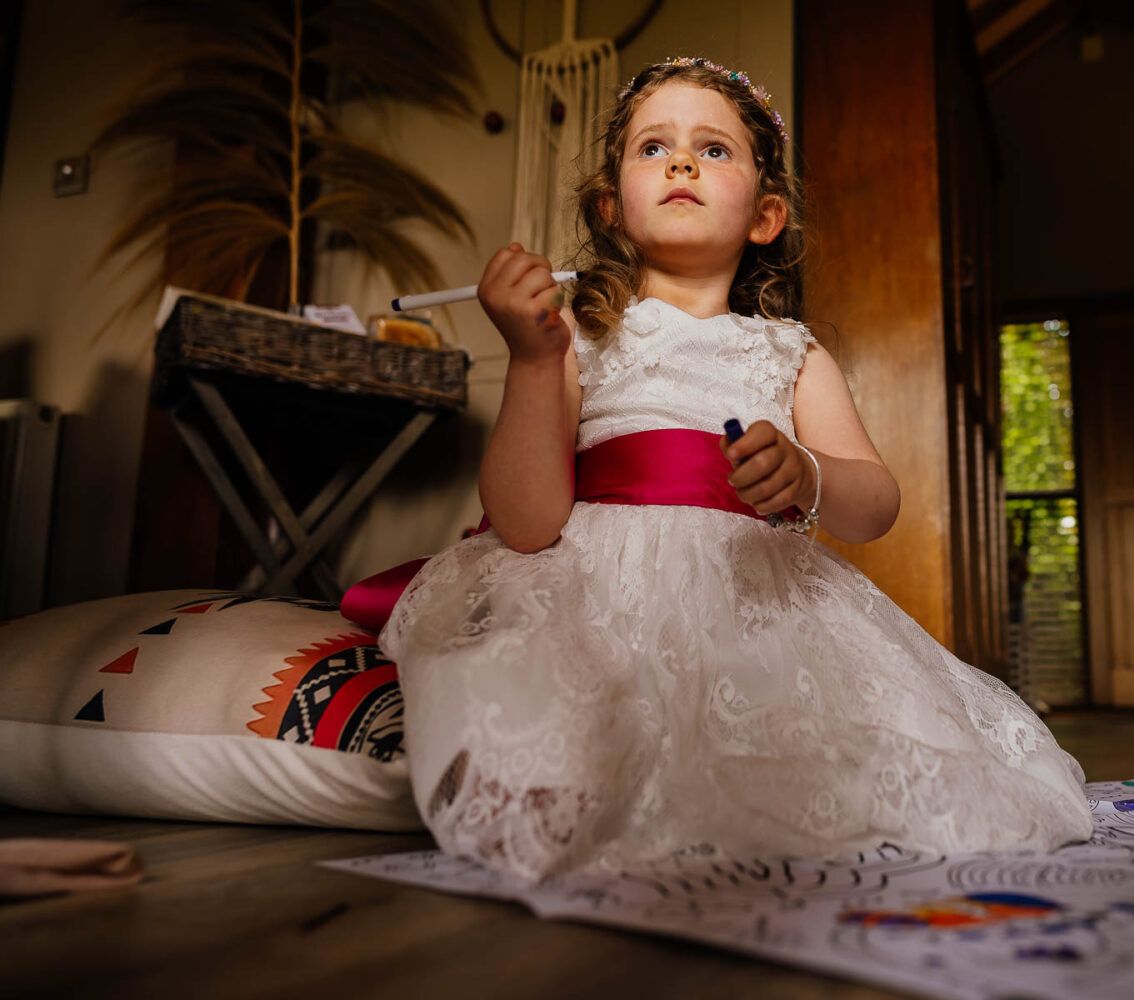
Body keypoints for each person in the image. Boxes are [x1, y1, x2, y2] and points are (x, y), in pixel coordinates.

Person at [380, 57, 1094, 881]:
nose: (682, 162)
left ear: (765, 215)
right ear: (611, 208)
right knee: (578, 734)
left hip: (756, 594)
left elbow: (875, 505)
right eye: (654, 147)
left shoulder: (791, 352)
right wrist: (533, 361)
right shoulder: (574, 332)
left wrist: (808, 473)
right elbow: (527, 521)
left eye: (713, 150)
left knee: (811, 748)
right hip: (597, 591)